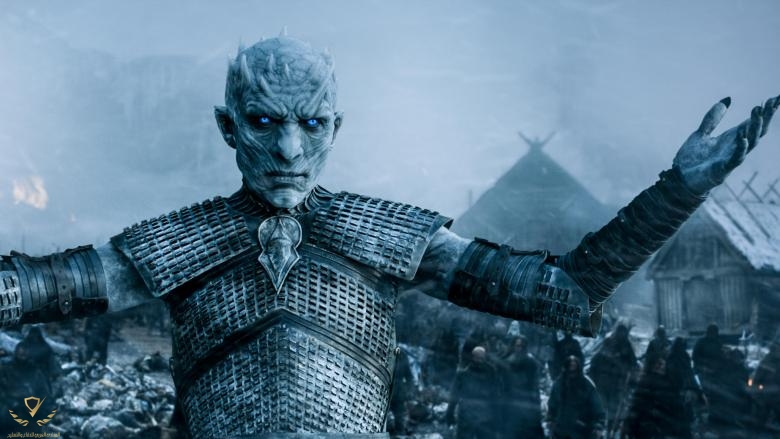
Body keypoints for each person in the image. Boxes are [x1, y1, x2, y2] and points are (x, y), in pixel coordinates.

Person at [0, 35, 776, 437]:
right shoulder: (177, 243)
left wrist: (678, 191)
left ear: (336, 127)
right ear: (228, 127)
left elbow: (565, 289)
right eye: (265, 121)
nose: (289, 149)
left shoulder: (386, 234)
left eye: (310, 124)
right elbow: (26, 289)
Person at [588, 323, 640, 434]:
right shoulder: (608, 342)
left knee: (615, 408)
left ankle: (611, 429)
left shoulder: (626, 345)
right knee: (603, 406)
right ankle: (602, 429)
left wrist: (630, 374)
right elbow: (596, 359)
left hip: (617, 382)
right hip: (604, 381)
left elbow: (633, 363)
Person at [622, 357, 689, 439]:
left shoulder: (669, 384)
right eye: (659, 364)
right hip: (652, 428)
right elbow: (636, 406)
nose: (662, 367)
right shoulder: (647, 382)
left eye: (663, 364)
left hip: (658, 428)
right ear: (652, 366)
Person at [446, 346, 502, 439]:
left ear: (485, 358)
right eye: (477, 358)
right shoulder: (463, 375)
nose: (479, 361)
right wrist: (450, 413)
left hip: (483, 417)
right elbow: (454, 395)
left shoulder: (491, 373)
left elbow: (496, 395)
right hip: (469, 416)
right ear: (473, 357)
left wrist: (497, 416)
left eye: (481, 358)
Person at [548, 355, 606, 439]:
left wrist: (598, 425)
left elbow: (597, 407)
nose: (572, 371)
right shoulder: (559, 384)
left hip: (581, 430)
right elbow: (552, 405)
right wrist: (550, 420)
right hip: (561, 431)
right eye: (570, 366)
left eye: (574, 367)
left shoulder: (586, 385)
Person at [501, 336, 544, 439]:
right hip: (511, 402)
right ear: (513, 346)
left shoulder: (531, 363)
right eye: (517, 346)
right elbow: (502, 384)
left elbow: (534, 385)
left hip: (527, 402)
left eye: (522, 346)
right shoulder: (506, 363)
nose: (519, 348)